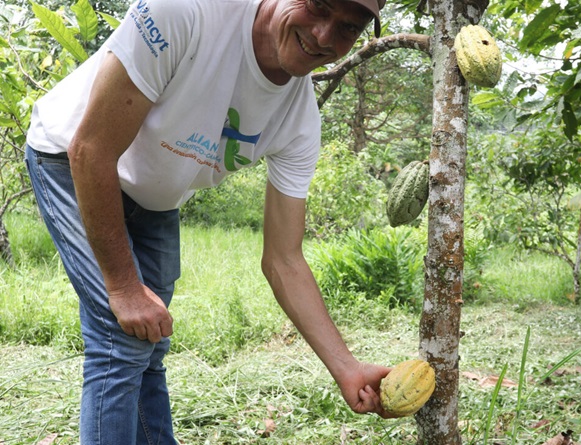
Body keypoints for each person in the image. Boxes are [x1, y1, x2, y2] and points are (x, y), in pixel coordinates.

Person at [24, 0, 392, 443]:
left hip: (154, 196)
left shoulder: (299, 121)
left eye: (348, 28)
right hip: (72, 159)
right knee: (122, 341)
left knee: (149, 342)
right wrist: (123, 288)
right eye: (318, 6)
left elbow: (285, 259)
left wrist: (347, 368)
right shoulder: (186, 12)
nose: (323, 36)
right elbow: (91, 150)